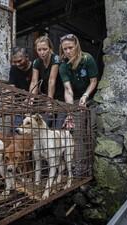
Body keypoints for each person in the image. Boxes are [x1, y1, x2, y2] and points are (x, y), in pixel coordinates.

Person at [59, 34, 98, 177]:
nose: (68, 51)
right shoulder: (63, 66)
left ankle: (93, 164)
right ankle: (80, 166)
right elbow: (68, 90)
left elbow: (93, 81)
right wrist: (70, 112)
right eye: (65, 49)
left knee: (91, 130)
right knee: (78, 132)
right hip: (76, 100)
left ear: (77, 46)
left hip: (92, 97)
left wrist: (86, 96)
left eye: (70, 47)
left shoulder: (87, 59)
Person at [29, 35, 66, 128]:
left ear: (50, 48)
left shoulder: (55, 59)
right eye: (39, 50)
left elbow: (51, 80)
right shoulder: (36, 62)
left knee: (58, 127)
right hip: (48, 96)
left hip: (60, 97)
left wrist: (49, 101)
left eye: (45, 49)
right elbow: (34, 81)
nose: (42, 52)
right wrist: (31, 99)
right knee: (45, 125)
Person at [8, 47, 33, 128]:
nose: (17, 64)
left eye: (19, 61)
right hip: (20, 106)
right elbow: (12, 87)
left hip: (35, 104)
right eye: (15, 62)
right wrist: (8, 101)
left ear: (27, 57)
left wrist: (28, 101)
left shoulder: (35, 67)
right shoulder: (14, 69)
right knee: (15, 130)